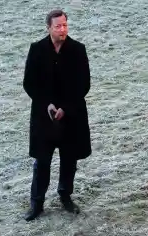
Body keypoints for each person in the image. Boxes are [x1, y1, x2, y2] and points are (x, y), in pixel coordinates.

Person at [22, 9, 91, 221]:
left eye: (65, 25)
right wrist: (47, 104)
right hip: (44, 117)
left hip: (71, 117)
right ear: (49, 27)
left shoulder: (78, 50)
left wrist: (66, 108)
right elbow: (29, 83)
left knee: (69, 159)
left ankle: (65, 195)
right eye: (58, 26)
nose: (62, 29)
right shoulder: (37, 49)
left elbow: (84, 84)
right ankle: (37, 202)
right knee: (42, 161)